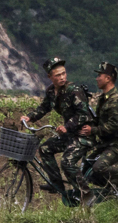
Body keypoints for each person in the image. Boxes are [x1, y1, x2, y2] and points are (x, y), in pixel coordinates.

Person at [20, 57, 93, 196]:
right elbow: (44, 107)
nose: (62, 77)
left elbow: (84, 114)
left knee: (67, 162)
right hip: (70, 134)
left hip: (84, 134)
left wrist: (67, 126)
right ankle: (56, 184)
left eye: (64, 73)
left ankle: (85, 193)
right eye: (58, 75)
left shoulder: (74, 90)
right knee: (45, 149)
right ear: (50, 77)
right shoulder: (51, 92)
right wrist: (29, 117)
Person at [79, 62, 118, 201]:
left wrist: (93, 130)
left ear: (108, 78)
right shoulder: (104, 99)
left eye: (99, 75)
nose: (97, 78)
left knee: (98, 168)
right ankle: (110, 190)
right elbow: (99, 121)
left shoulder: (115, 100)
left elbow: (113, 127)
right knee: (87, 172)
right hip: (104, 145)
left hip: (115, 145)